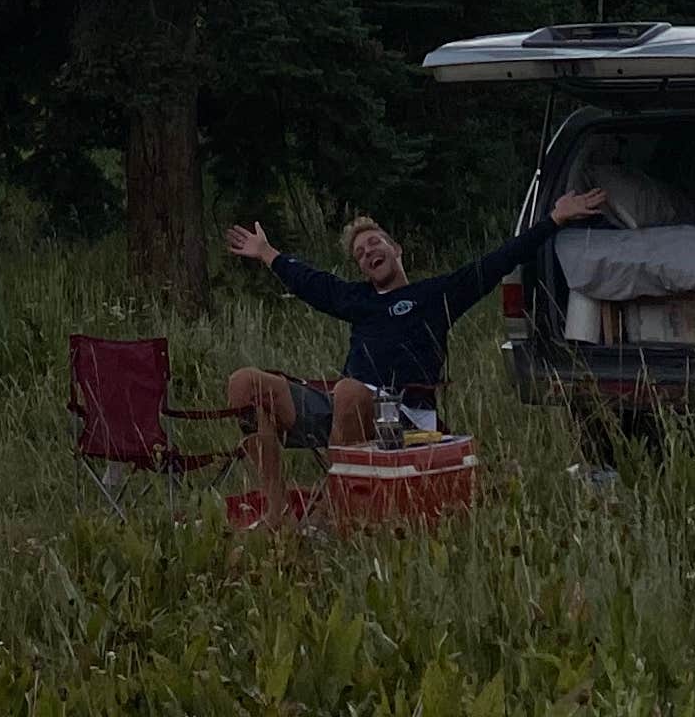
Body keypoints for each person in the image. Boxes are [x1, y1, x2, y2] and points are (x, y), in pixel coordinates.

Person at [222, 189, 610, 498]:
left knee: (350, 391)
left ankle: (338, 511)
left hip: (403, 417)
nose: (368, 252)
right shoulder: (358, 300)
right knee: (245, 383)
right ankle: (275, 512)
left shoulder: (434, 295)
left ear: (396, 249)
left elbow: (495, 263)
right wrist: (267, 253)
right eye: (360, 253)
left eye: (375, 243)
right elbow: (313, 283)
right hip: (343, 407)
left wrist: (554, 219)